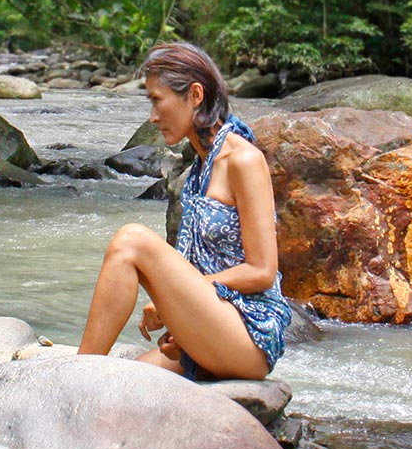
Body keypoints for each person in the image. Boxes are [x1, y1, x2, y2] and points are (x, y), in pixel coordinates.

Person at [77, 42, 291, 380]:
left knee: (131, 241)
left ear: (194, 95)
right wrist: (181, 318)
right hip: (214, 326)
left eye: (157, 100)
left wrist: (172, 303)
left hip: (249, 335)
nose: (152, 116)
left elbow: (262, 271)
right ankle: (83, 375)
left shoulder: (243, 160)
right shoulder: (198, 169)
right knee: (123, 381)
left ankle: (75, 375)